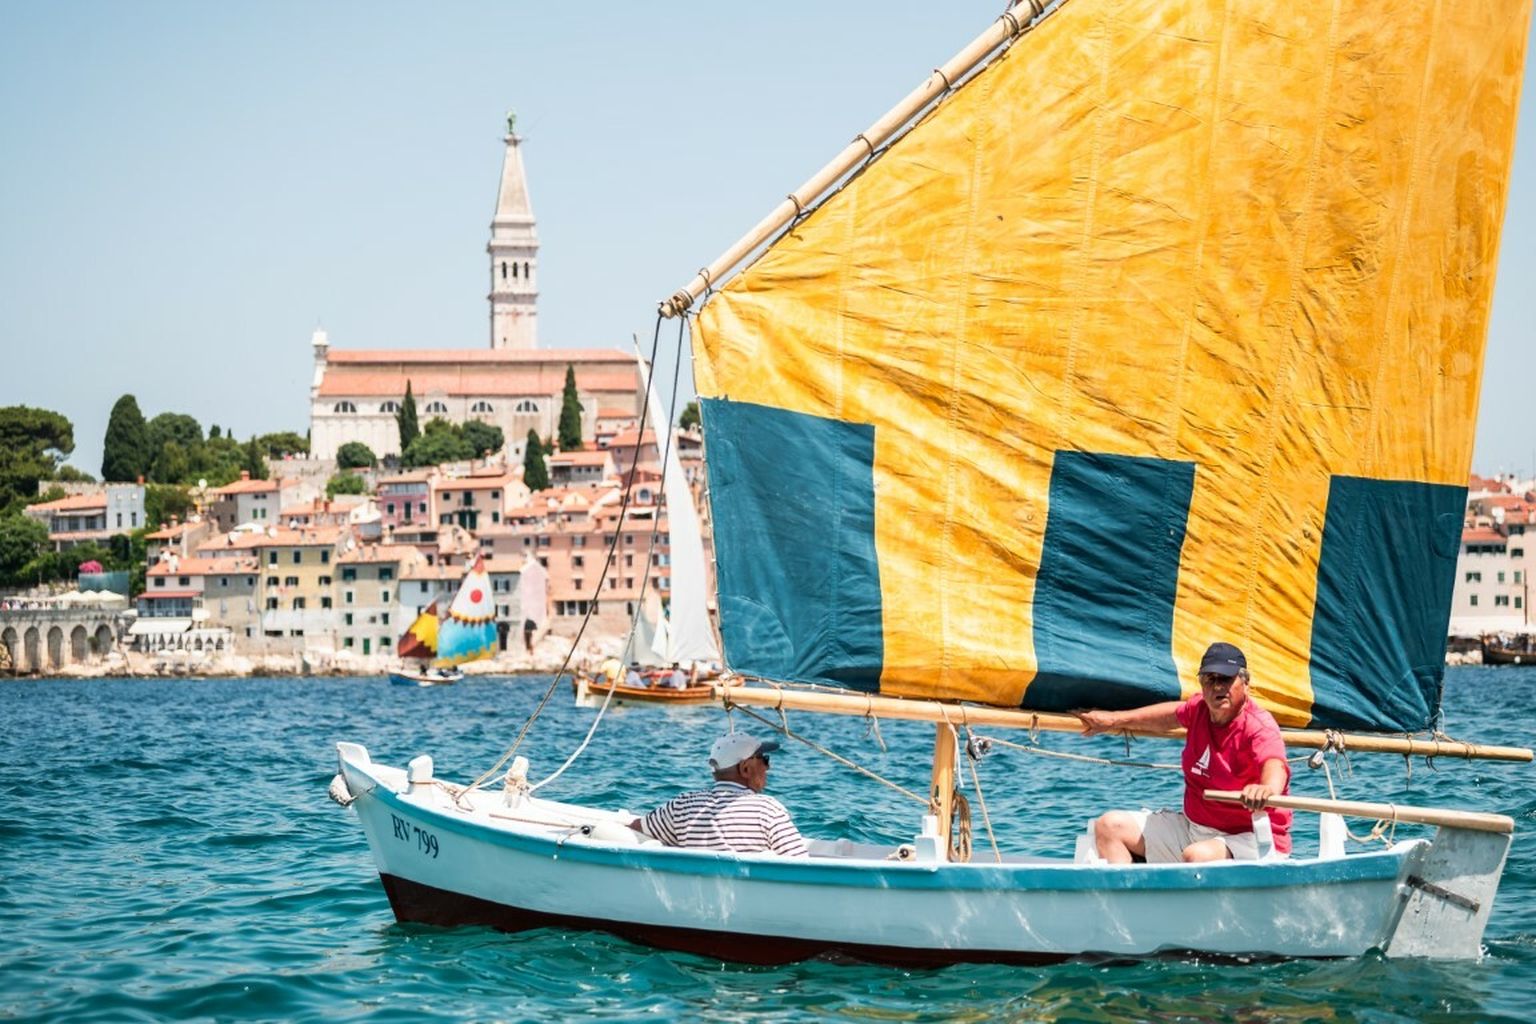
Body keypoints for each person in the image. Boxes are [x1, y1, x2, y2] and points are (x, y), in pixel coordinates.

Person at [1079, 641, 1292, 863]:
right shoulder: (1199, 708)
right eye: (1210, 679)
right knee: (1108, 827)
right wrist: (1114, 719)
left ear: (1245, 683)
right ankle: (1129, 886)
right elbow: (1168, 715)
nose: (1217, 687)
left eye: (1225, 679)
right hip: (1195, 830)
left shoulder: (1259, 725)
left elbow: (1275, 764)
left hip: (1252, 838)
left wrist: (1266, 789)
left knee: (1196, 855)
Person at [631, 733, 808, 855]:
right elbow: (799, 863)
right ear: (745, 768)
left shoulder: (682, 805)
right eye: (764, 759)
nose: (768, 767)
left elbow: (636, 828)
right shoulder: (768, 810)